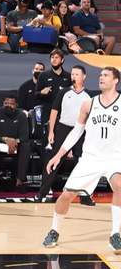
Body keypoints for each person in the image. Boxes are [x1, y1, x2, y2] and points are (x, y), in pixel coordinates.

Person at [43, 67, 121, 252]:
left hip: (114, 157)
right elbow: (76, 133)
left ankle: (114, 234)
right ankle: (54, 231)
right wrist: (58, 155)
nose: (101, 78)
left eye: (106, 75)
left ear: (115, 80)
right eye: (100, 75)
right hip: (90, 158)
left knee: (119, 185)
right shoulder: (88, 104)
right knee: (66, 196)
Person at [35, 66, 94, 205]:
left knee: (83, 162)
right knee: (54, 159)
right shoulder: (64, 92)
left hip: (82, 130)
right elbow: (54, 111)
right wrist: (51, 131)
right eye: (72, 74)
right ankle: (42, 193)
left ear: (84, 76)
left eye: (77, 74)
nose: (73, 76)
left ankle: (85, 195)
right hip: (63, 128)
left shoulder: (89, 95)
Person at [0, 93, 30, 194]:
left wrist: (14, 142)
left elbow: (24, 136)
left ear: (16, 105)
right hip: (0, 144)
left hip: (16, 144)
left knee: (26, 145)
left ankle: (20, 182)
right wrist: (6, 140)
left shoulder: (21, 116)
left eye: (11, 103)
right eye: (6, 103)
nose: (8, 105)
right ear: (3, 103)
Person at [35, 49, 71, 129]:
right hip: (47, 112)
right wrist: (41, 92)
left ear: (62, 60)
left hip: (63, 113)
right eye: (52, 57)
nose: (54, 59)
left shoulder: (68, 76)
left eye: (56, 57)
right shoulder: (44, 75)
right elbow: (36, 94)